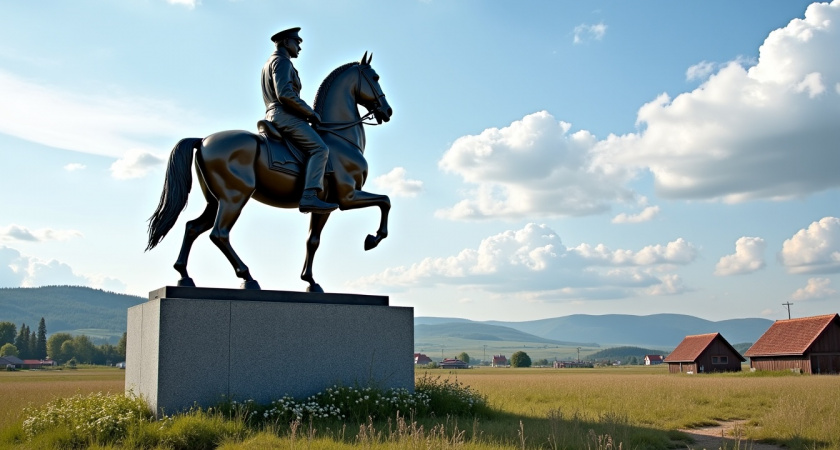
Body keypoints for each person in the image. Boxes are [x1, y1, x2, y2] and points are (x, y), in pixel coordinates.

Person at [262, 27, 338, 214]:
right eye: (297, 42)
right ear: (287, 42)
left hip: (275, 113)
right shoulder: (282, 62)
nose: (299, 47)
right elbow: (285, 94)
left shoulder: (270, 63)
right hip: (284, 115)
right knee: (320, 149)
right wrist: (310, 113)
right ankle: (309, 196)